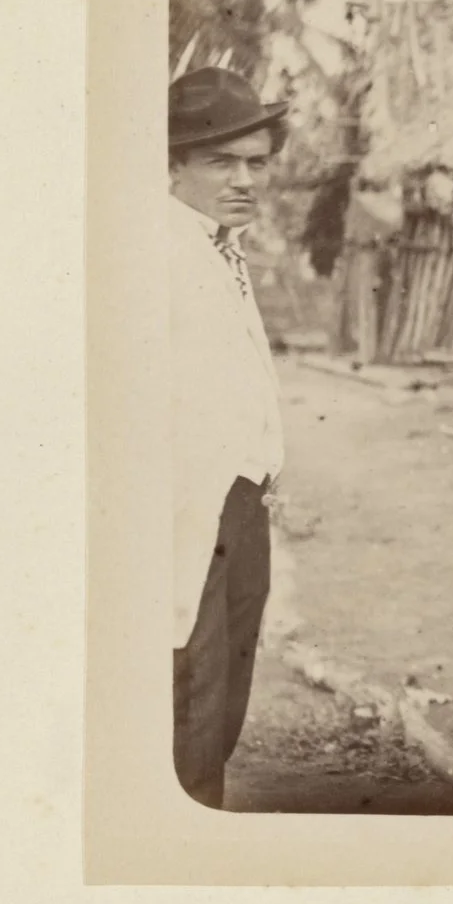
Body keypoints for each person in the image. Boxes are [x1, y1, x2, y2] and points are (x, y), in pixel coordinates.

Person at [167, 66, 290, 809]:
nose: (244, 178)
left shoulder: (221, 248)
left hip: (241, 505)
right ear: (174, 163)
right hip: (186, 506)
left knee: (226, 694)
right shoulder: (157, 253)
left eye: (256, 162)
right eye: (221, 161)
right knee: (192, 696)